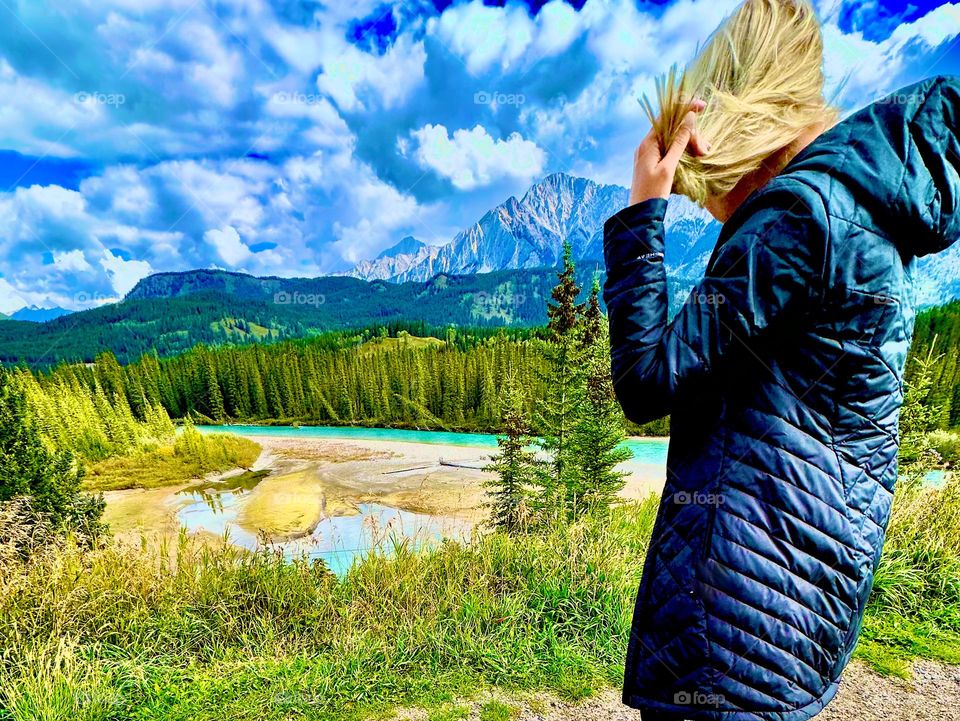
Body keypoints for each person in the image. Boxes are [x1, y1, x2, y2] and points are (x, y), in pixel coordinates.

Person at [602, 1, 959, 719]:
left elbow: (646, 378)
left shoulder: (798, 217)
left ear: (741, 115)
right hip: (797, 608)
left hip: (733, 622)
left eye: (710, 191)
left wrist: (644, 205)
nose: (712, 210)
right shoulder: (863, 213)